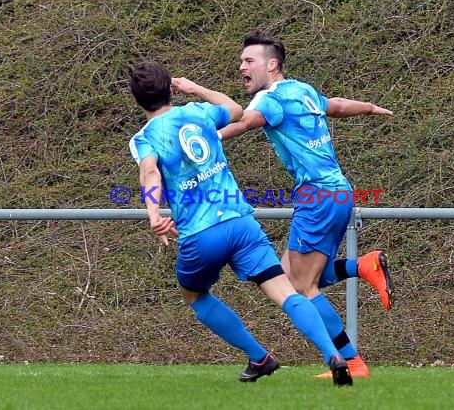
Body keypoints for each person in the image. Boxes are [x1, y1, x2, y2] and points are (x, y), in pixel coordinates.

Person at [128, 60, 353, 386]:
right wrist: (195, 88)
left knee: (195, 295)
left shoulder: (144, 138)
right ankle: (332, 353)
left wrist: (153, 213)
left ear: (137, 101)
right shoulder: (199, 112)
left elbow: (149, 171)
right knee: (287, 293)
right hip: (241, 223)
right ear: (170, 90)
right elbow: (234, 109)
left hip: (200, 233)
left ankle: (259, 356)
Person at [218, 30, 395, 379]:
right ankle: (363, 265)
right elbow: (337, 107)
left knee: (302, 288)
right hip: (339, 193)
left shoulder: (270, 100)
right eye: (241, 61)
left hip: (316, 198)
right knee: (286, 277)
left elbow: (248, 122)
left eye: (248, 61)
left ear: (272, 65)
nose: (241, 67)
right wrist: (370, 107)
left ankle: (352, 362)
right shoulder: (301, 89)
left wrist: (208, 136)